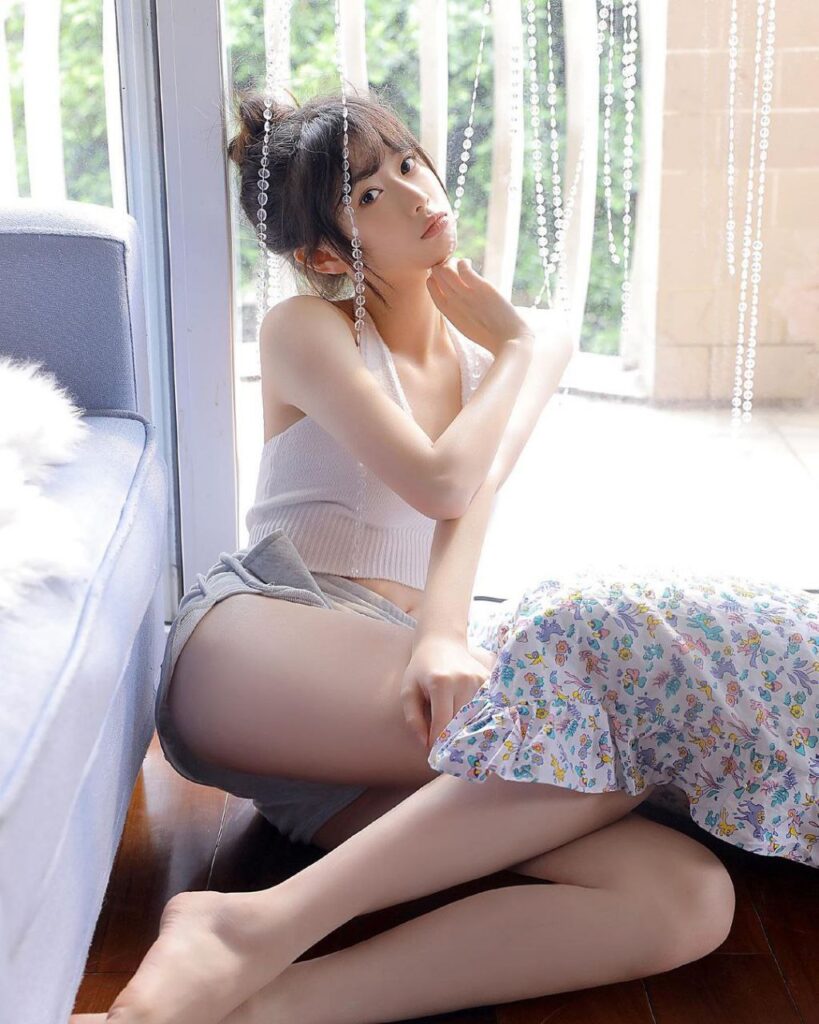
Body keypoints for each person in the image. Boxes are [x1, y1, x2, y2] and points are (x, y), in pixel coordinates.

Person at [85, 87, 758, 1024]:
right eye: (367, 195)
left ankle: (268, 1006)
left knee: (684, 897)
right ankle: (251, 927)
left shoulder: (526, 340)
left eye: (407, 163)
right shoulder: (309, 331)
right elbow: (440, 482)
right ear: (325, 256)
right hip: (268, 638)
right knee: (632, 724)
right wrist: (512, 351)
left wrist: (441, 631)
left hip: (369, 718)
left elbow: (473, 497)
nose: (413, 194)